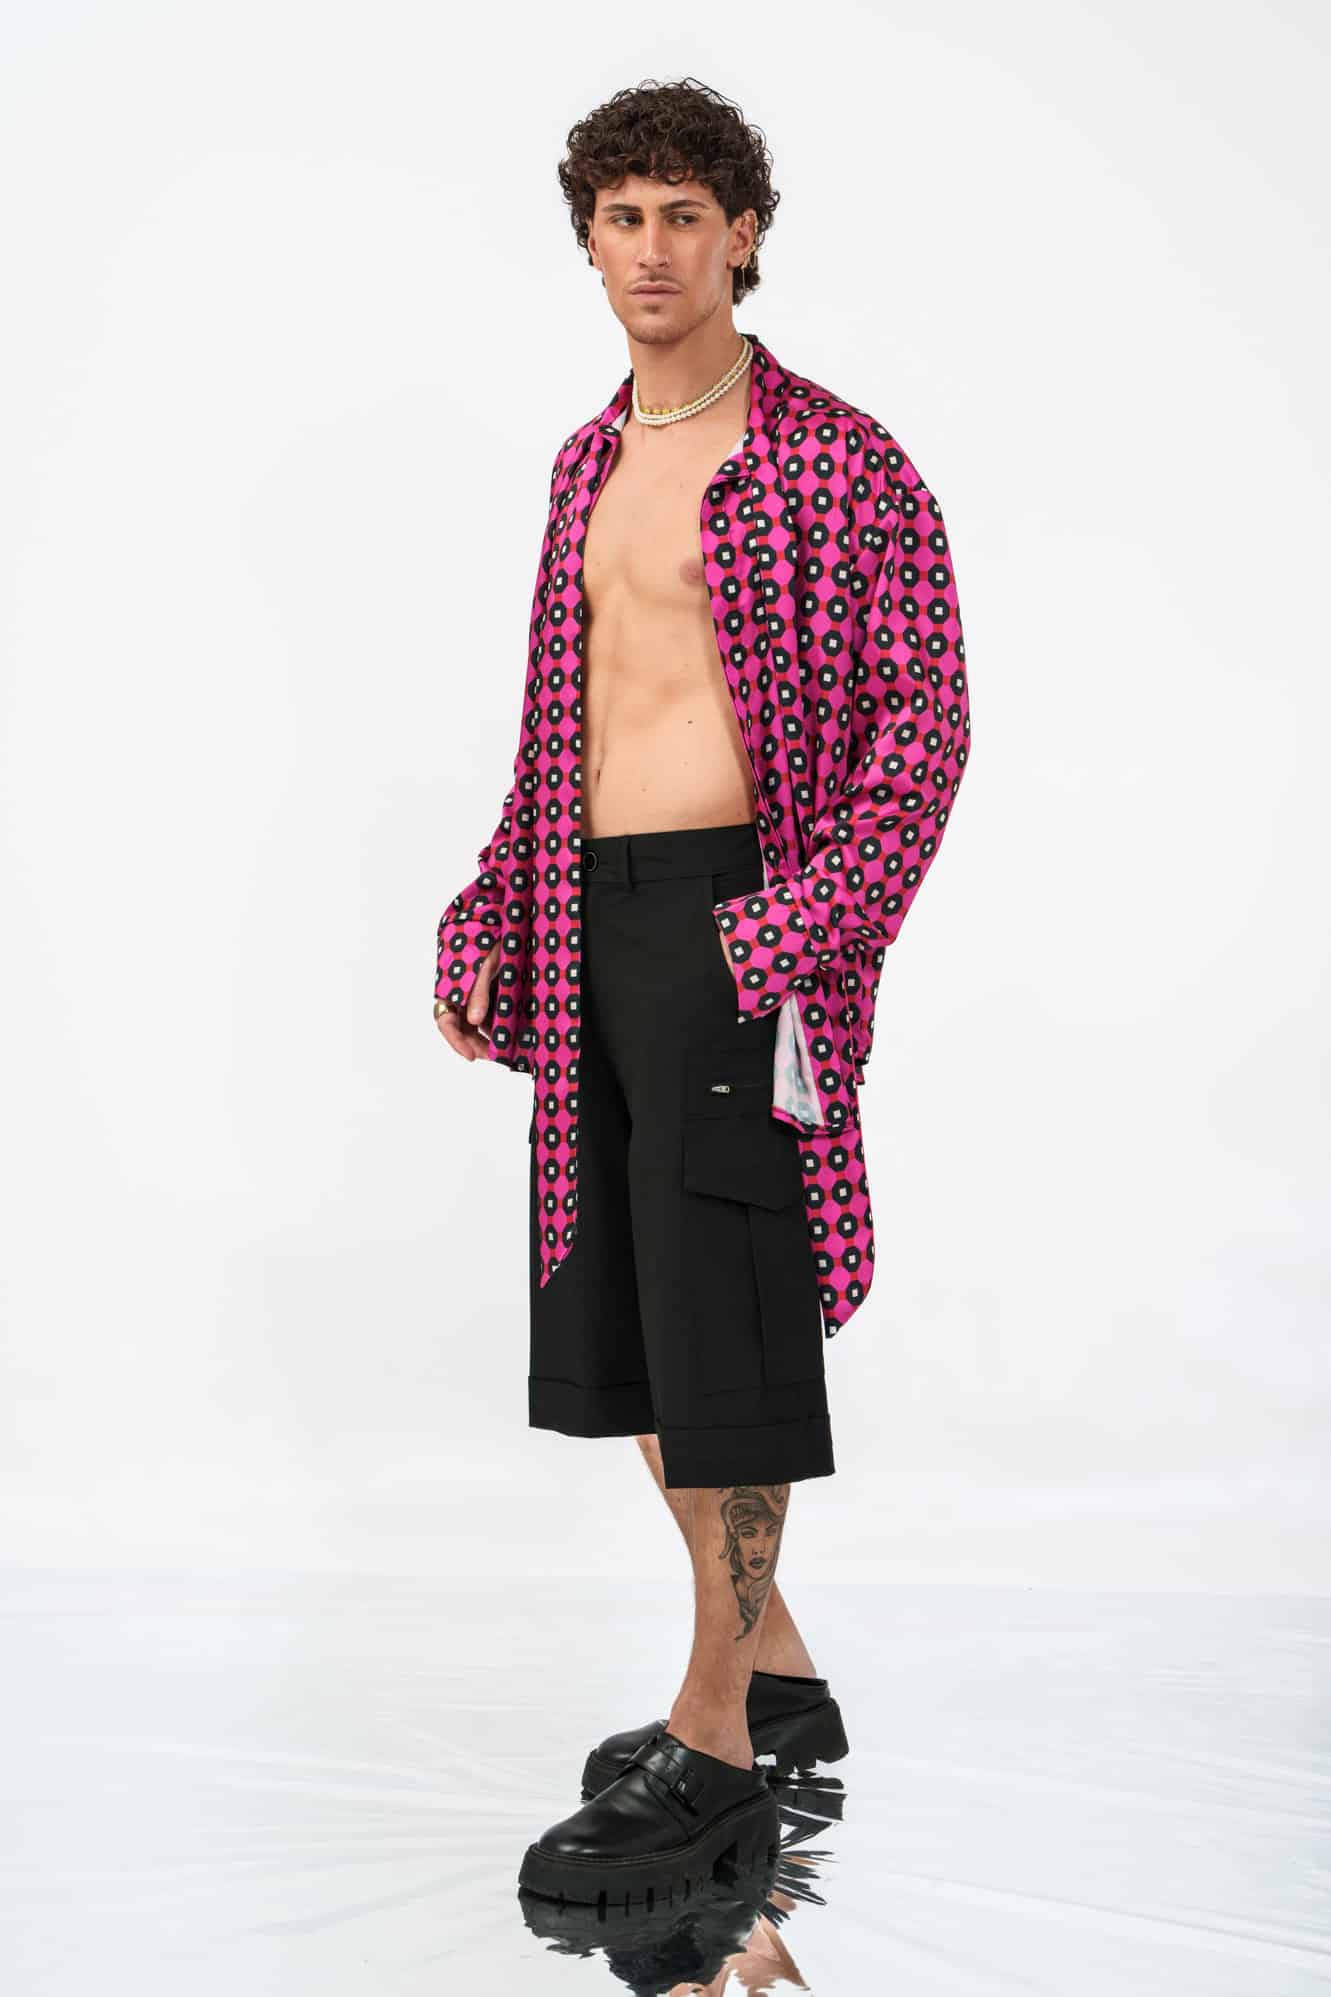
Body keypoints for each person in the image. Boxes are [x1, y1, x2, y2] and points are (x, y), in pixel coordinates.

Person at [432, 77, 971, 1907]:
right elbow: (558, 731)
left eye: (684, 215)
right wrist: (493, 909)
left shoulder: (837, 460)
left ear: (743, 236)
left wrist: (795, 931)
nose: (653, 250)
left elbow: (924, 728)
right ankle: (780, 1676)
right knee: (643, 1324)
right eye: (622, 218)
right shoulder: (586, 464)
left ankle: (718, 1742)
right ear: (587, 244)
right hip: (590, 920)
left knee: (730, 1331)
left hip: (742, 921)